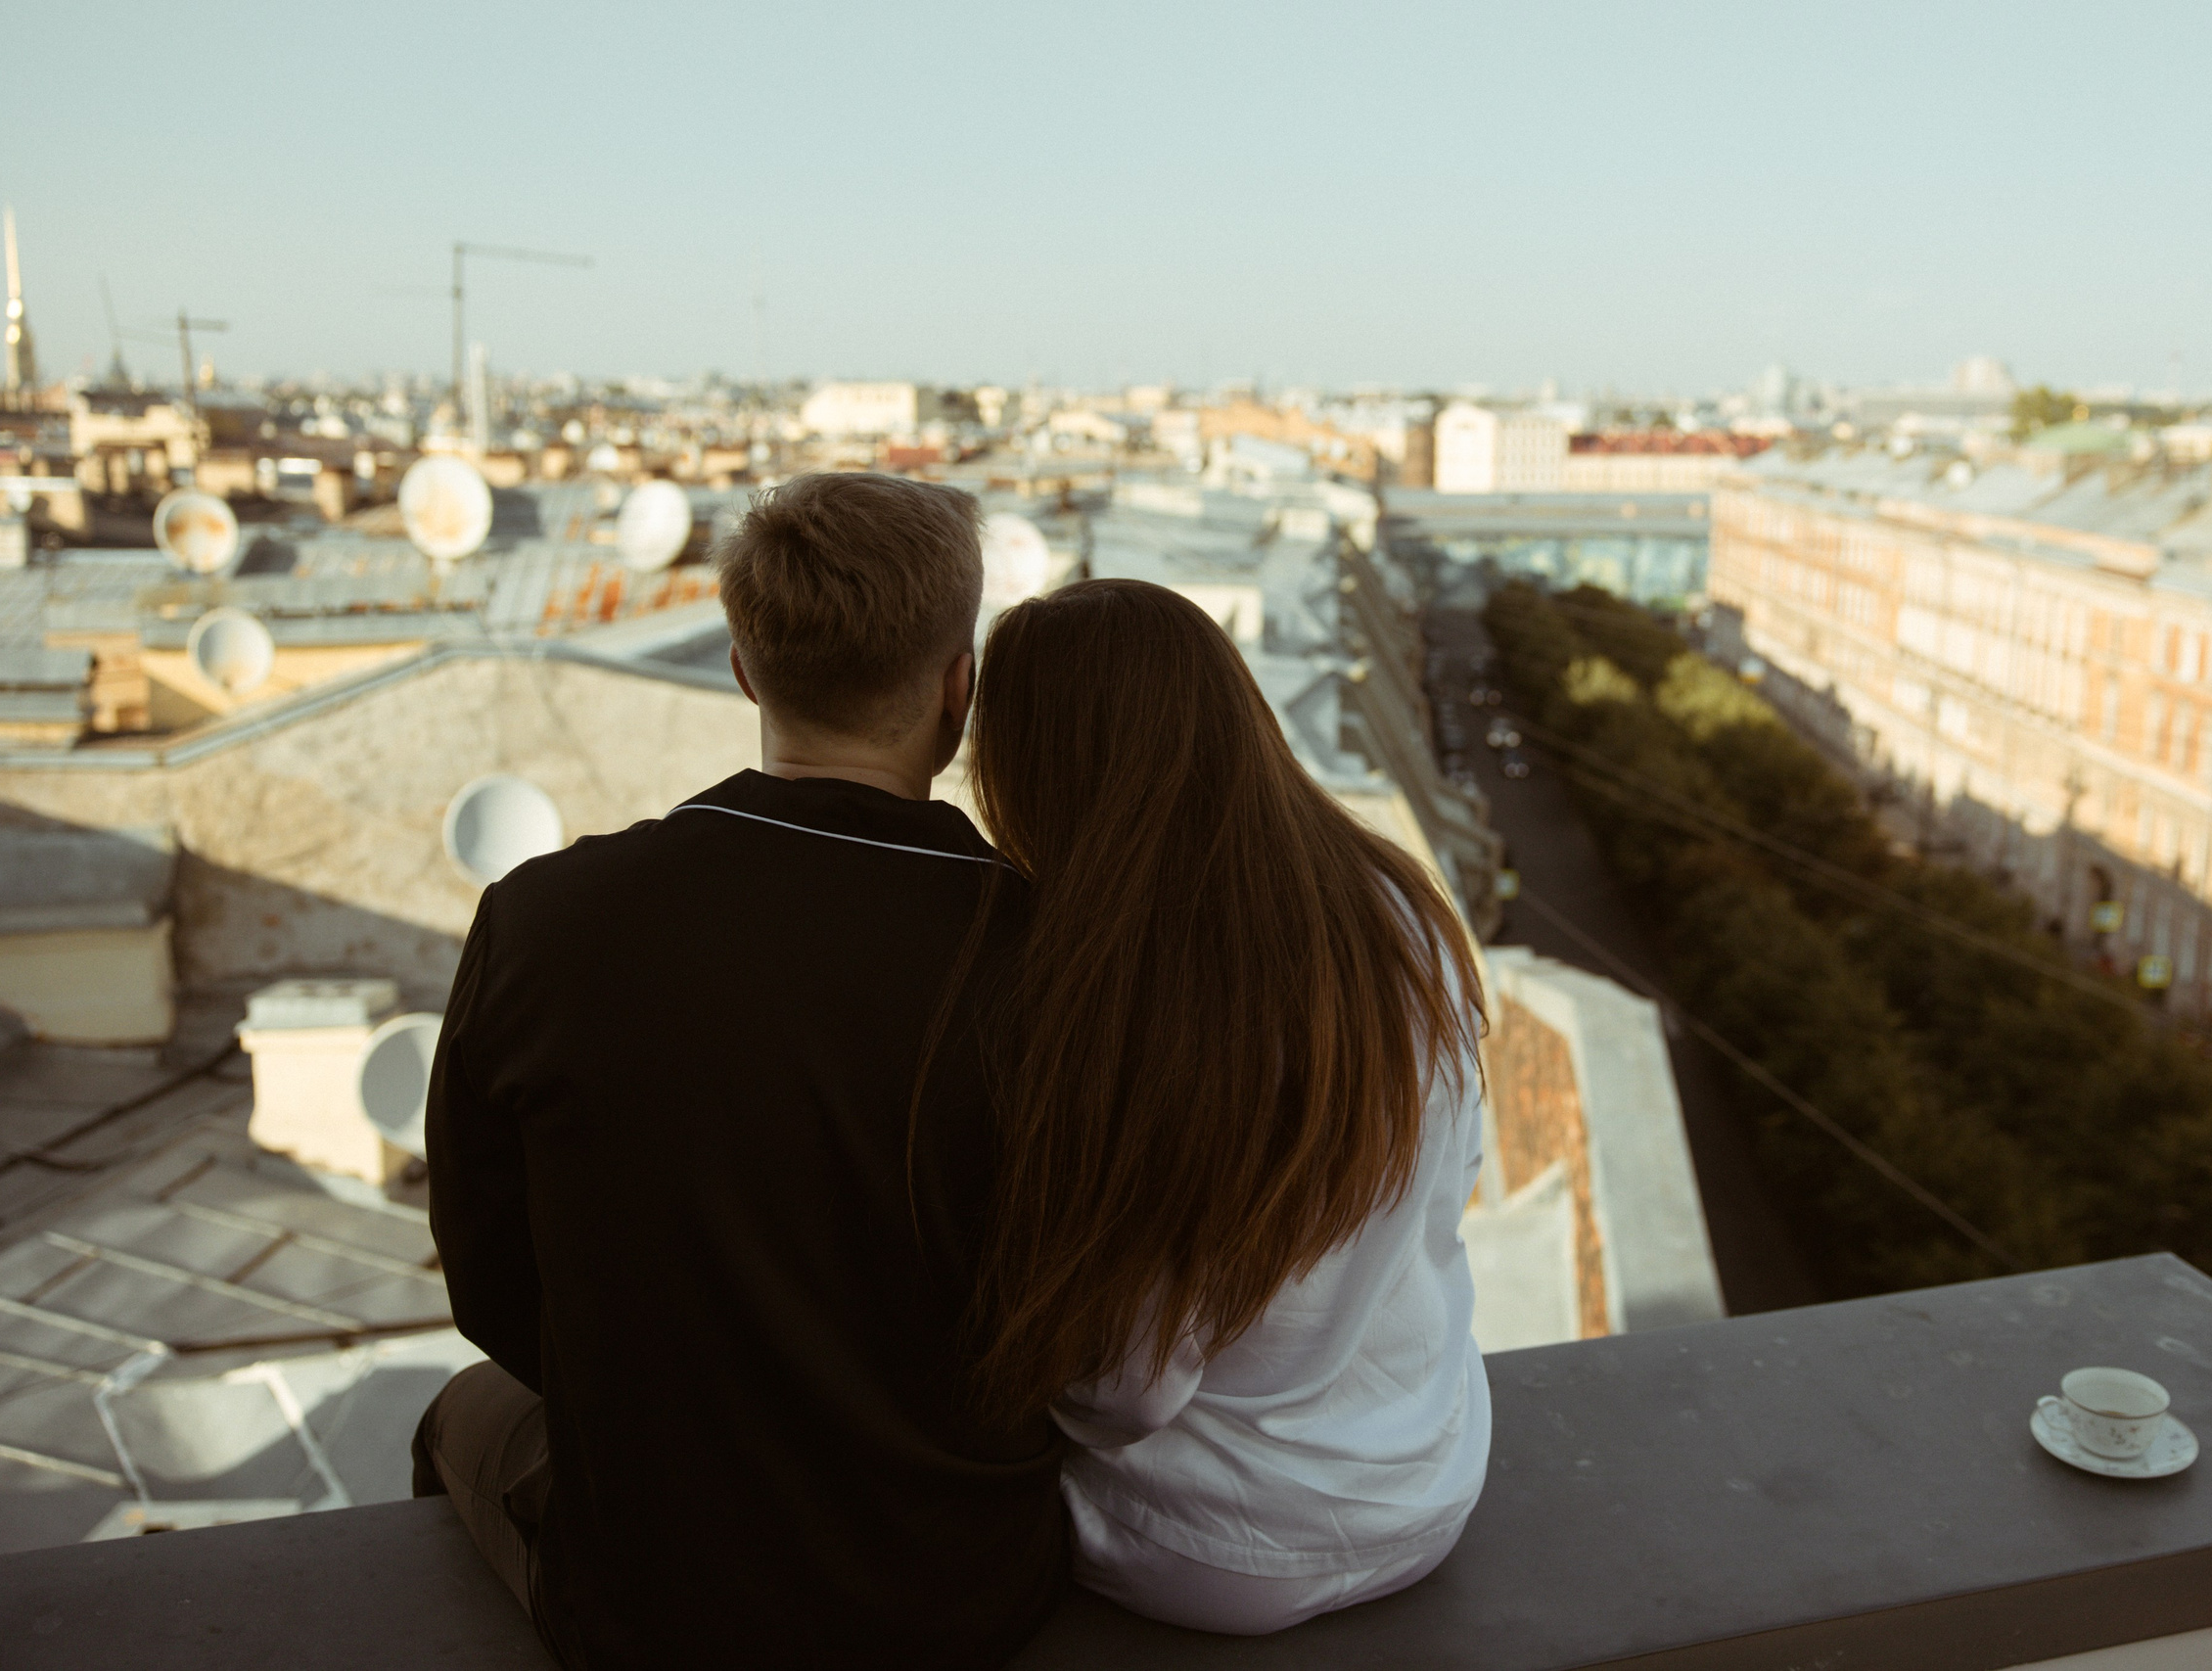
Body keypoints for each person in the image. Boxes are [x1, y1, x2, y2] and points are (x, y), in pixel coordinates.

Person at [412, 473, 1068, 1668]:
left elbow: (491, 1286)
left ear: (744, 670)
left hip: (656, 1604)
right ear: (956, 690)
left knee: (458, 1418)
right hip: (964, 1588)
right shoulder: (1051, 955)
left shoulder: (544, 918)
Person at [960, 577, 1492, 1635]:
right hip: (1429, 1481)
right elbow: (1451, 1190)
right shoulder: (1396, 908)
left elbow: (1127, 1392)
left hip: (1212, 1547)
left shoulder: (1137, 988)